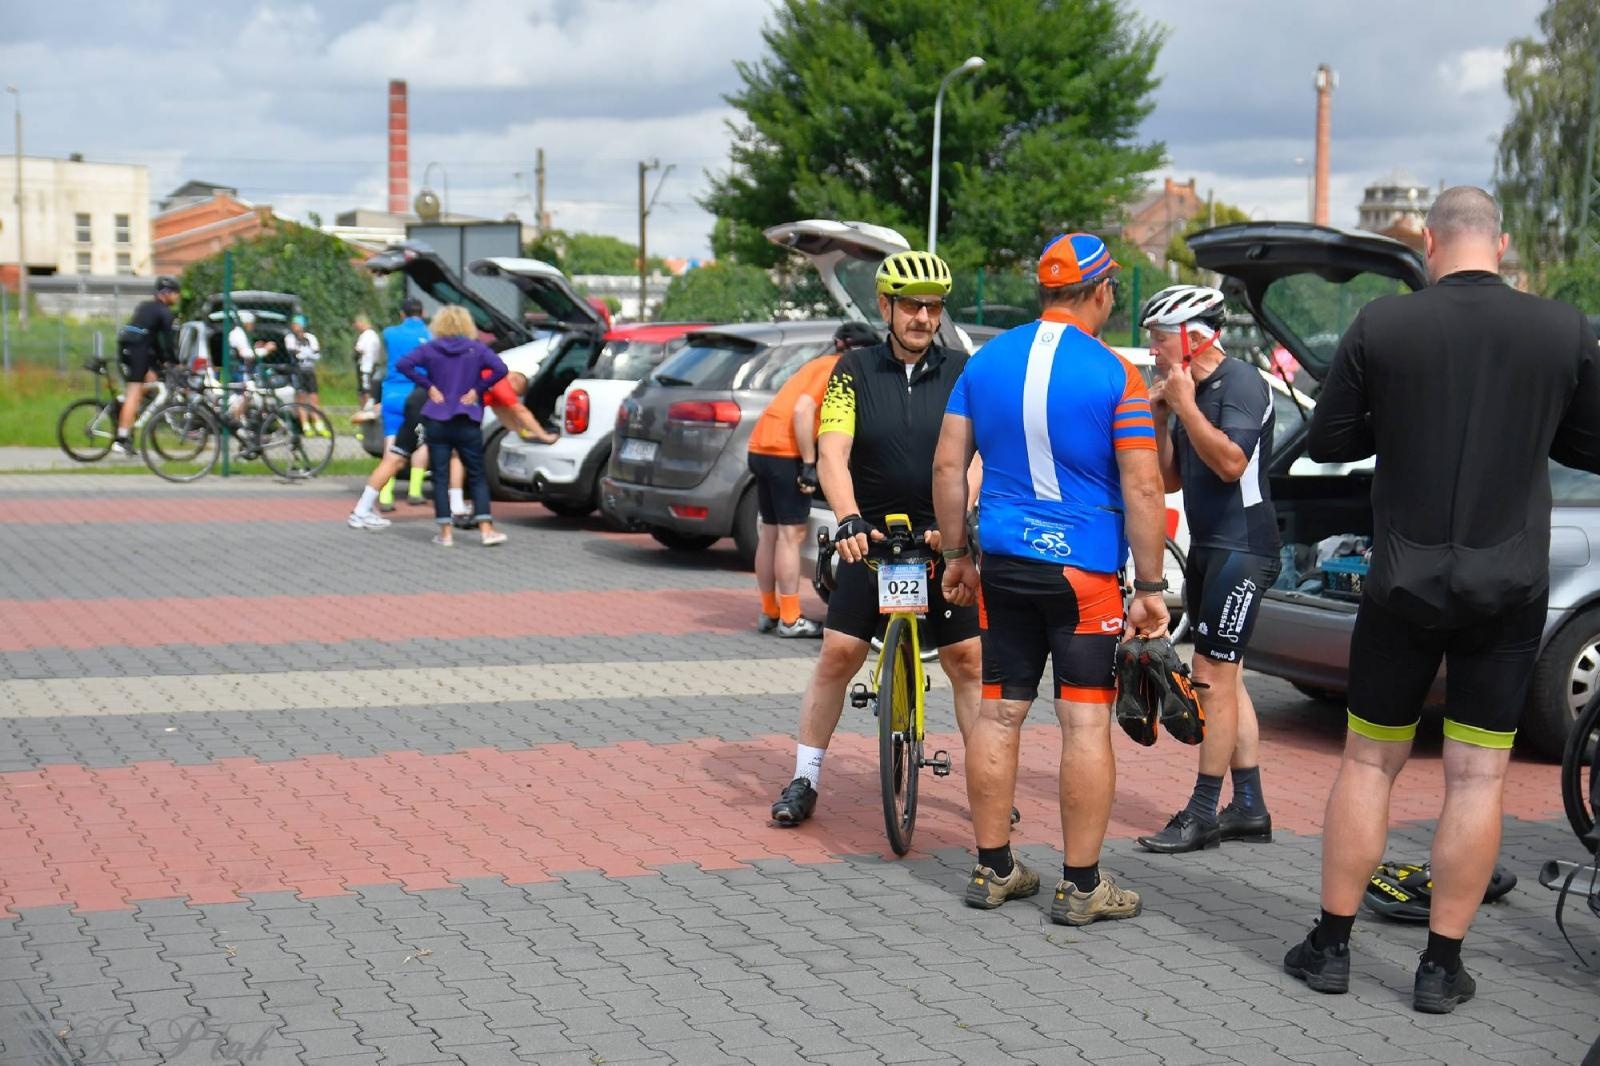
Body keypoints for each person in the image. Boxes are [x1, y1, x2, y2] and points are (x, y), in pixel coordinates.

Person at [1284, 186, 1600, 1013]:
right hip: (1509, 588)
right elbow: (1592, 443)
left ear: (1430, 242)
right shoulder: (1561, 328)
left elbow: (1330, 443)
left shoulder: (1385, 325)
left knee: (1368, 763)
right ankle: (1439, 967)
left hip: (1401, 584)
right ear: (1500, 242)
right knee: (1475, 779)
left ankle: (1330, 947)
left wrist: (1401, 419)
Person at [933, 233, 1170, 925]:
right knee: (1084, 717)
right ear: (1102, 292)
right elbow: (1145, 486)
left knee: (1000, 710)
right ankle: (1083, 885)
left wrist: (956, 556)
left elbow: (949, 468)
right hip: (1083, 572)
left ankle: (993, 869)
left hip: (1003, 560)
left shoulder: (984, 362)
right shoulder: (1115, 374)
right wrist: (1151, 589)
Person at [768, 251, 982, 827]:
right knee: (839, 652)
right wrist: (847, 519)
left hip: (942, 539)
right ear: (886, 306)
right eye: (911, 305)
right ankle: (805, 778)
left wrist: (958, 521)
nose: (923, 317)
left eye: (933, 307)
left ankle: (989, 783)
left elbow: (976, 455)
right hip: (871, 539)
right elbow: (834, 449)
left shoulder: (963, 370)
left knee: (967, 659)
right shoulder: (853, 370)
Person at [1136, 284, 1280, 854]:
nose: (1151, 350)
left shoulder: (1243, 384)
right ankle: (1248, 806)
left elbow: (1230, 463)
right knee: (1229, 676)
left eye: (1157, 338)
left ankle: (1202, 814)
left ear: (1193, 339)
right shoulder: (1184, 387)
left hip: (1244, 548)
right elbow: (1172, 479)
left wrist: (1185, 403)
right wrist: (1159, 411)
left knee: (1211, 680)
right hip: (1209, 549)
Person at [747, 321, 880, 638]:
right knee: (790, 538)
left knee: (770, 533)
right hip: (786, 454)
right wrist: (809, 463)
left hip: (760, 446)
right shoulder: (839, 369)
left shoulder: (818, 363)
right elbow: (804, 410)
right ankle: (791, 619)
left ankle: (769, 610)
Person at [396, 305, 511, 547]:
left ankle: (445, 533)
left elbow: (404, 364)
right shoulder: (477, 349)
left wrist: (428, 386)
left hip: (437, 417)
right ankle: (486, 529)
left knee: (439, 476)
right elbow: (501, 369)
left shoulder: (431, 348)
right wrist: (477, 389)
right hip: (467, 418)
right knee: (477, 474)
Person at [111, 276, 180, 457]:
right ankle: (122, 438)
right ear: (167, 294)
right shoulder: (165, 313)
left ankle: (122, 405)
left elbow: (152, 339)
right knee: (134, 391)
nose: (177, 297)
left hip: (129, 348)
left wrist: (161, 361)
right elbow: (167, 342)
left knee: (151, 379)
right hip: (137, 351)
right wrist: (175, 361)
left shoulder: (145, 306)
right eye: (176, 294)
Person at [379, 298, 432, 511]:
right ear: (423, 312)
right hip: (418, 394)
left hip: (392, 392)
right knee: (420, 440)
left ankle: (385, 494)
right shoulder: (431, 335)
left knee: (391, 441)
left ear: (402, 314)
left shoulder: (389, 333)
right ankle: (415, 491)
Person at [283, 314, 328, 436]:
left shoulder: (310, 338)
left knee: (314, 398)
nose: (295, 327)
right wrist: (306, 353)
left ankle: (319, 424)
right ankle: (305, 425)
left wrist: (306, 353)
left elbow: (315, 353)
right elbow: (294, 353)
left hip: (309, 370)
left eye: (297, 324)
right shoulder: (290, 338)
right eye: (294, 324)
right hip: (297, 371)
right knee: (301, 398)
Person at [351, 313, 381, 421]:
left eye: (356, 323)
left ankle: (365, 415)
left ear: (362, 323)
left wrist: (354, 356)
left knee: (365, 392)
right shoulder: (375, 335)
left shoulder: (366, 335)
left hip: (365, 367)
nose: (355, 326)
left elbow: (359, 350)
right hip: (374, 366)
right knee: (368, 391)